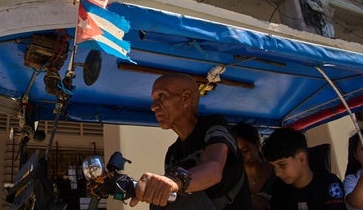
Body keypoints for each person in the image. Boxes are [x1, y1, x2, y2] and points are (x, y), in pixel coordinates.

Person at [129, 73, 252, 210]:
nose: (153, 106)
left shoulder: (214, 126)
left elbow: (214, 169)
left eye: (161, 96)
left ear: (185, 98)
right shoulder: (172, 153)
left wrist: (175, 180)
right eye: (153, 100)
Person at [261, 127, 346, 210]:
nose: (277, 173)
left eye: (282, 165)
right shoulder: (278, 189)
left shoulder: (329, 184)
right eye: (273, 166)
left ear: (302, 158)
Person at [231, 122, 275, 210]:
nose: (241, 156)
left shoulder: (277, 171)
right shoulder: (234, 177)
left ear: (257, 145)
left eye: (245, 150)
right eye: (237, 152)